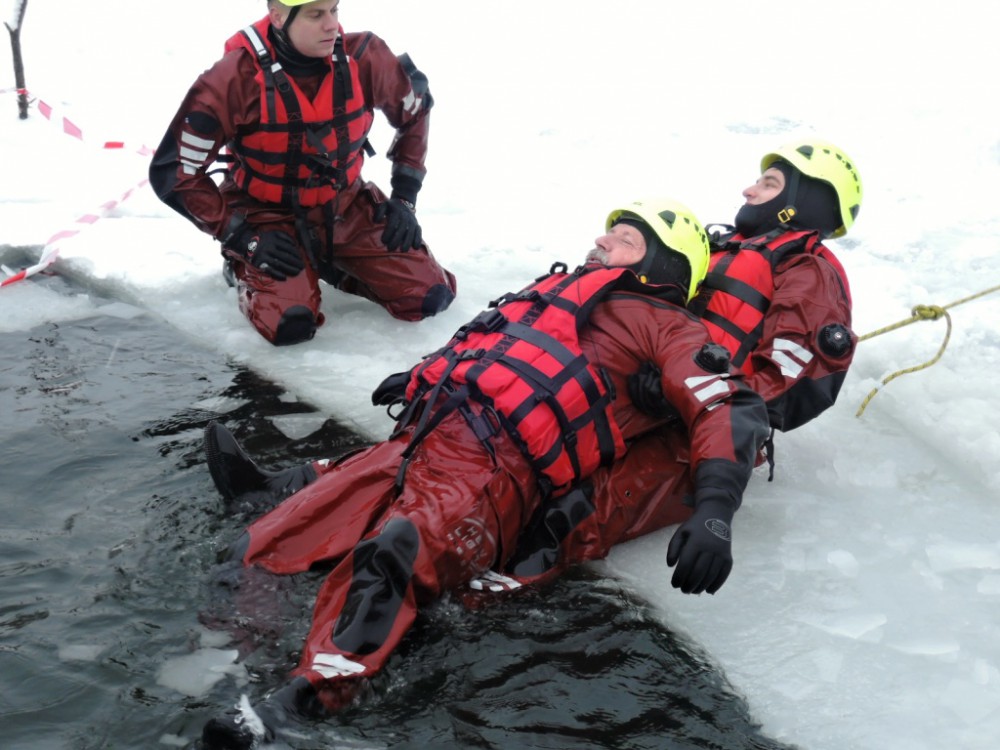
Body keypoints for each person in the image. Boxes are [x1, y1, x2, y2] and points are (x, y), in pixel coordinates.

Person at [198, 197, 771, 748]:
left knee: (396, 552)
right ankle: (233, 655)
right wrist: (418, 375)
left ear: (663, 265)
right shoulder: (556, 294)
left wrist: (716, 509)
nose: (602, 239)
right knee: (267, 539)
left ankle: (305, 698)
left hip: (499, 468)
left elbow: (728, 407)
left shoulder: (666, 326)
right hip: (427, 436)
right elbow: (488, 344)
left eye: (625, 239)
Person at [205, 138, 863, 597]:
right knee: (472, 427)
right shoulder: (725, 248)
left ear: (807, 199)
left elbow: (791, 384)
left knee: (575, 501)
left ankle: (490, 584)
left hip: (690, 427)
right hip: (644, 394)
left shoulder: (809, 275)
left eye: (770, 184)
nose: (749, 189)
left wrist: (677, 399)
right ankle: (298, 489)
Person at [149, 0, 456, 346]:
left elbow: (415, 110)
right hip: (264, 216)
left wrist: (404, 198)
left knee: (429, 296)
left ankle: (329, 263)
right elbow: (175, 172)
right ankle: (241, 267)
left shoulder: (365, 58)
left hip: (343, 205)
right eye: (315, 14)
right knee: (290, 325)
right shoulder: (233, 78)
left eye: (334, 10)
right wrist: (240, 237)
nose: (331, 25)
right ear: (278, 16)